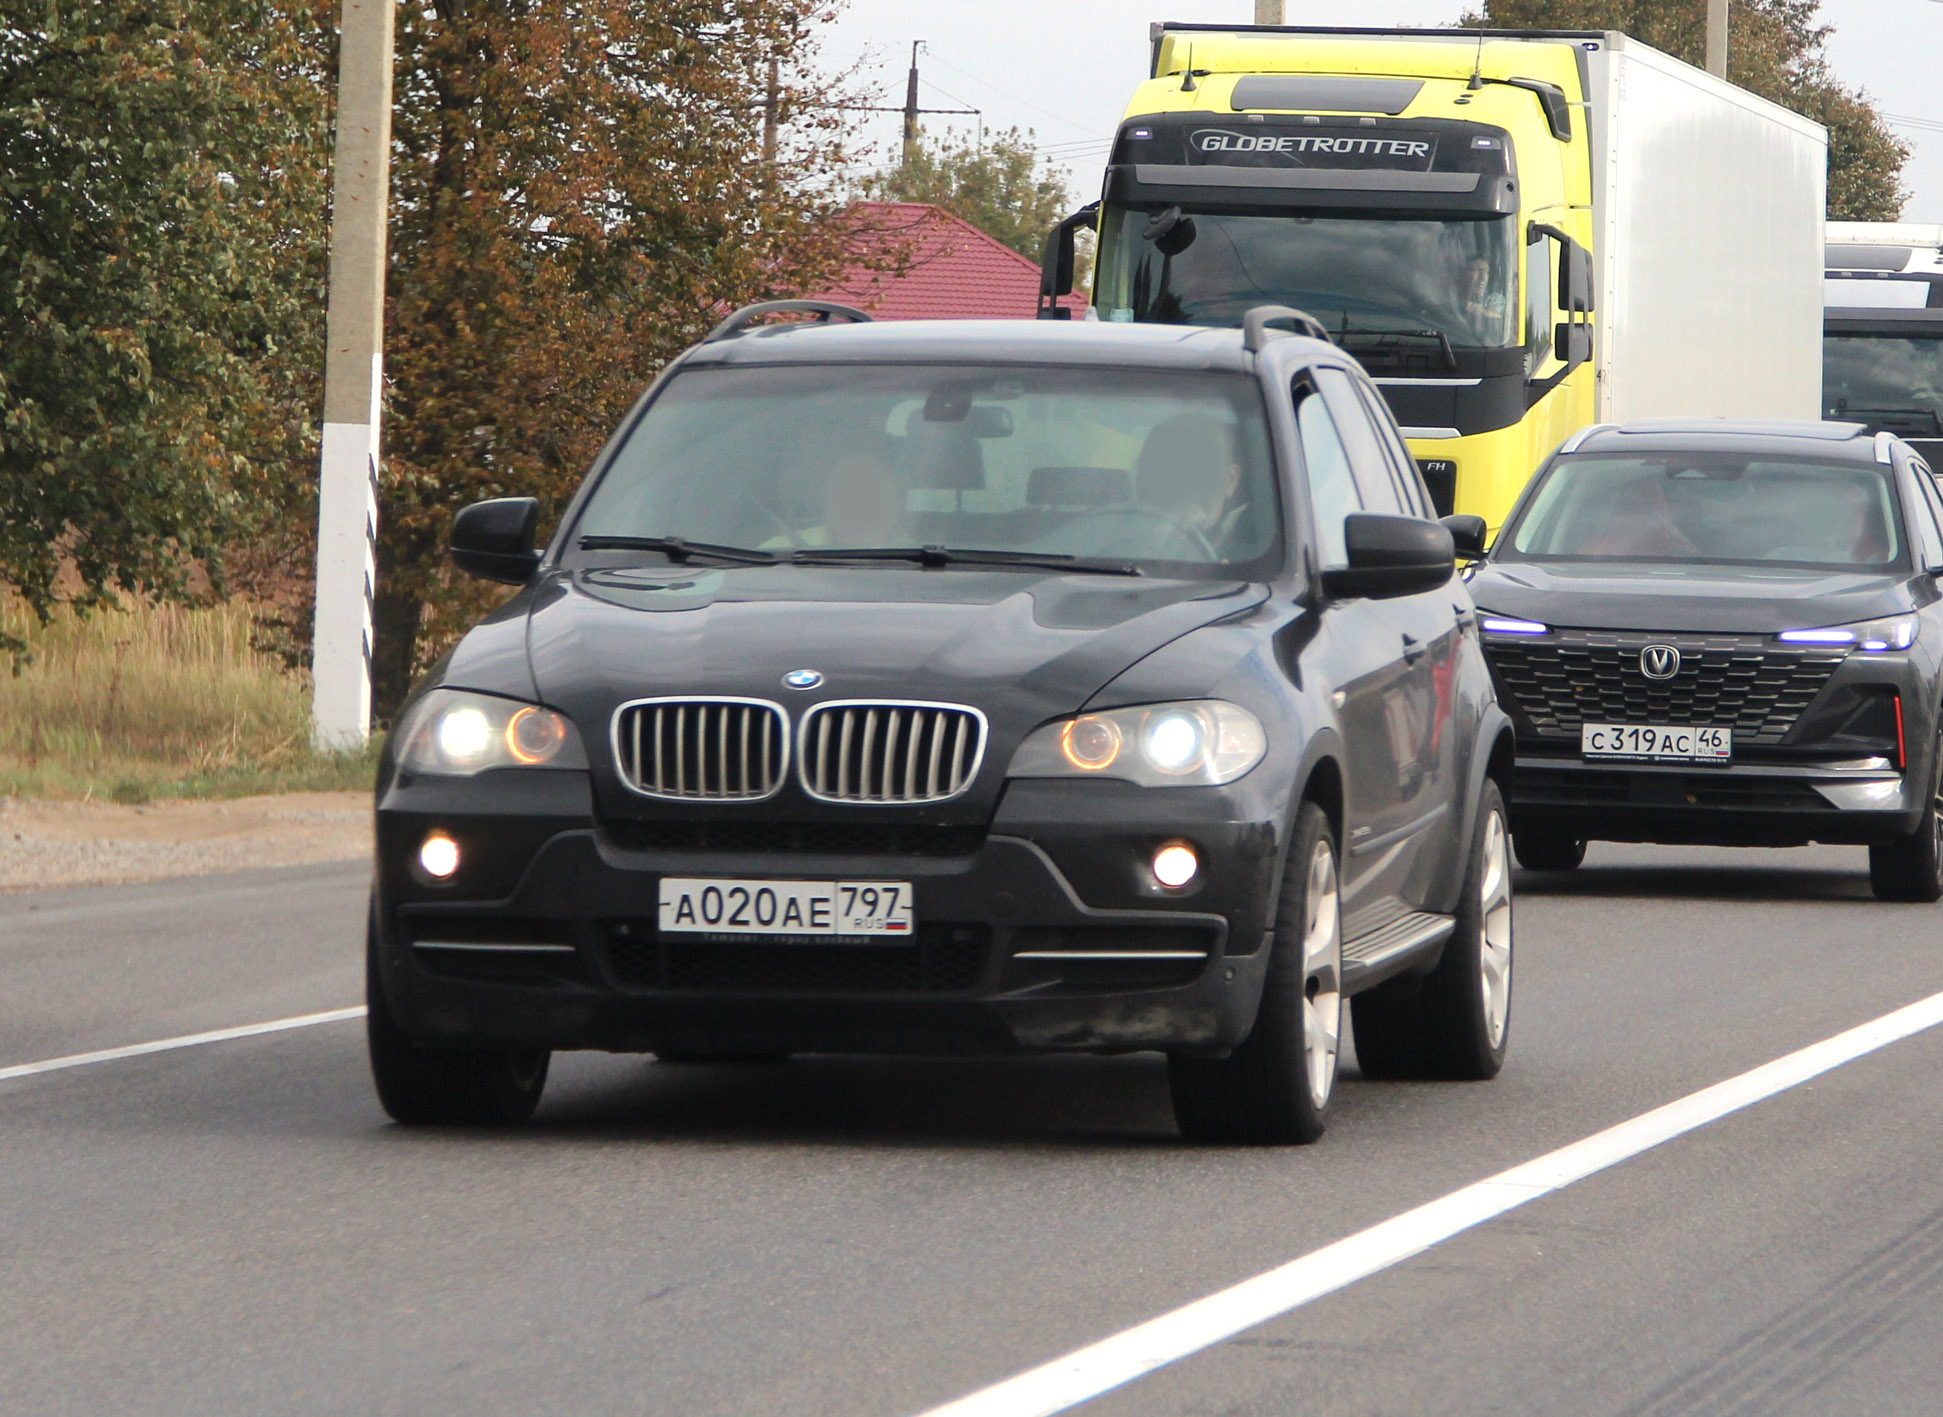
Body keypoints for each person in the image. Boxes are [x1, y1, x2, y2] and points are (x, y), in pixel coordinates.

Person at [763, 441, 909, 549]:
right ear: (826, 500)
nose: (856, 500)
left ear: (896, 503)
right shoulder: (777, 553)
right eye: (845, 488)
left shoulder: (920, 557)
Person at [1134, 413, 1244, 548]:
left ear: (1230, 480)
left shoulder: (1248, 558)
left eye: (1203, 474)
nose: (1184, 489)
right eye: (1167, 475)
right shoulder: (1109, 535)